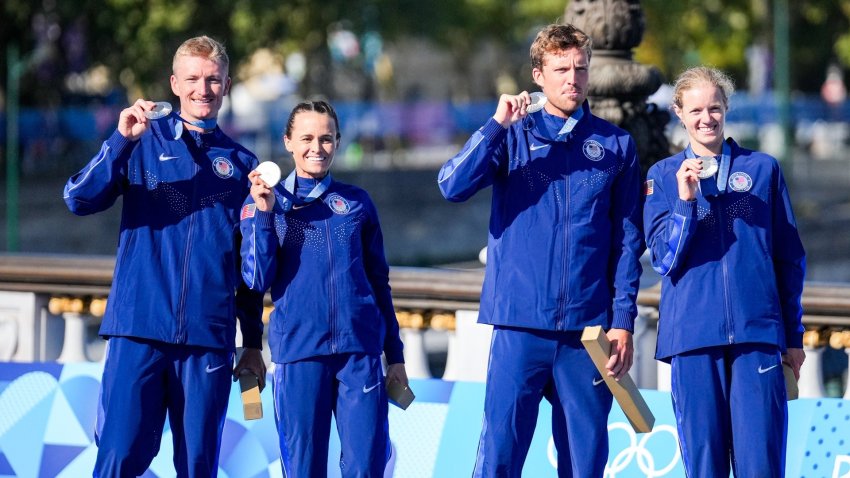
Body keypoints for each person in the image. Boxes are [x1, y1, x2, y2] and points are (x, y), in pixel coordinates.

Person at [437, 24, 644, 476]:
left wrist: (623, 319)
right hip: (519, 324)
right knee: (499, 460)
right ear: (538, 75)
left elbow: (629, 242)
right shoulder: (512, 134)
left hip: (587, 333)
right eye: (561, 69)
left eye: (581, 68)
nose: (573, 78)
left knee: (585, 464)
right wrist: (495, 126)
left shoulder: (616, 145)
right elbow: (451, 185)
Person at [63, 35, 266, 477]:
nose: (203, 89)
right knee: (118, 459)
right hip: (138, 330)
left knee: (197, 466)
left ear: (227, 85)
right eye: (192, 78)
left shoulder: (243, 165)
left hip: (206, 340)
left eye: (213, 79)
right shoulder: (139, 140)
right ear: (174, 83)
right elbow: (78, 199)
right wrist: (118, 141)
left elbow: (248, 267)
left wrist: (251, 342)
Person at [643, 66, 806, 476]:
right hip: (693, 341)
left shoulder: (762, 170)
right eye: (695, 109)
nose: (706, 118)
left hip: (757, 337)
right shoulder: (662, 177)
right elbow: (664, 260)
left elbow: (789, 259)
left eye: (714, 108)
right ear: (679, 113)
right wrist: (685, 201)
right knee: (704, 467)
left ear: (726, 108)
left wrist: (793, 335)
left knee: (761, 466)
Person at [239, 100, 408, 477]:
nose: (317, 147)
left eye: (327, 138)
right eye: (307, 138)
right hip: (300, 354)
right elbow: (256, 280)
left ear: (338, 142)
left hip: (358, 355)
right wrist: (264, 215)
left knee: (366, 469)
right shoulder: (267, 203)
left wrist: (394, 355)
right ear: (287, 142)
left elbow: (380, 283)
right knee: (303, 470)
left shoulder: (357, 203)